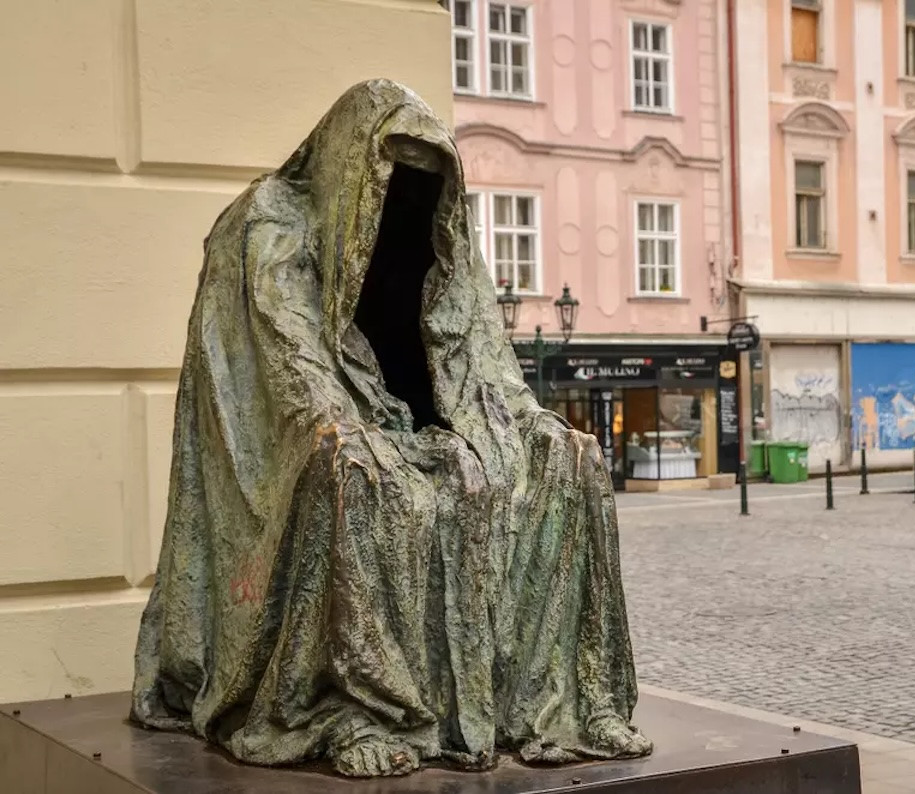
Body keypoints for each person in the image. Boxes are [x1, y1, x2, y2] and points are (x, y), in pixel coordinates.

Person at [129, 79, 650, 778]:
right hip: (330, 428)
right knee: (352, 466)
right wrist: (352, 429)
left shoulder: (444, 233)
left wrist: (532, 426)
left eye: (425, 178)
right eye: (393, 173)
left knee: (567, 457)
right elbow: (290, 364)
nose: (406, 195)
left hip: (424, 423)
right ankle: (355, 708)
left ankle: (562, 701)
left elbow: (486, 365)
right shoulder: (271, 220)